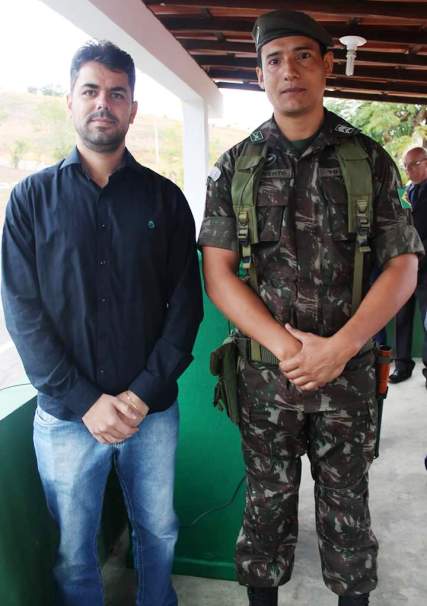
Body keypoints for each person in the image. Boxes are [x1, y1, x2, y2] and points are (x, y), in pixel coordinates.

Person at [198, 10, 424, 606]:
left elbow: (404, 265)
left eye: (303, 55)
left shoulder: (368, 160)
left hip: (346, 380)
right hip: (268, 379)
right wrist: (288, 348)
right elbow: (218, 274)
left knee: (348, 515)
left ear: (326, 65)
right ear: (260, 72)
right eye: (274, 59)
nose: (288, 70)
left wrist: (342, 348)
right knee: (265, 514)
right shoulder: (235, 167)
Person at [1, 40, 203, 606]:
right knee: (74, 550)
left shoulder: (164, 200)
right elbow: (23, 313)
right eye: (91, 90)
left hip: (150, 416)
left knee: (159, 530)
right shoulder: (29, 201)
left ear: (133, 108)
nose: (103, 104)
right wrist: (88, 401)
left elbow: (185, 307)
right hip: (67, 418)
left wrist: (141, 394)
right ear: (70, 101)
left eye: (117, 94)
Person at [389, 147, 427, 386]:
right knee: (402, 318)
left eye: (413, 164)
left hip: (426, 269)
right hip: (405, 268)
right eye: (406, 166)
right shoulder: (405, 191)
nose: (409, 170)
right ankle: (402, 366)